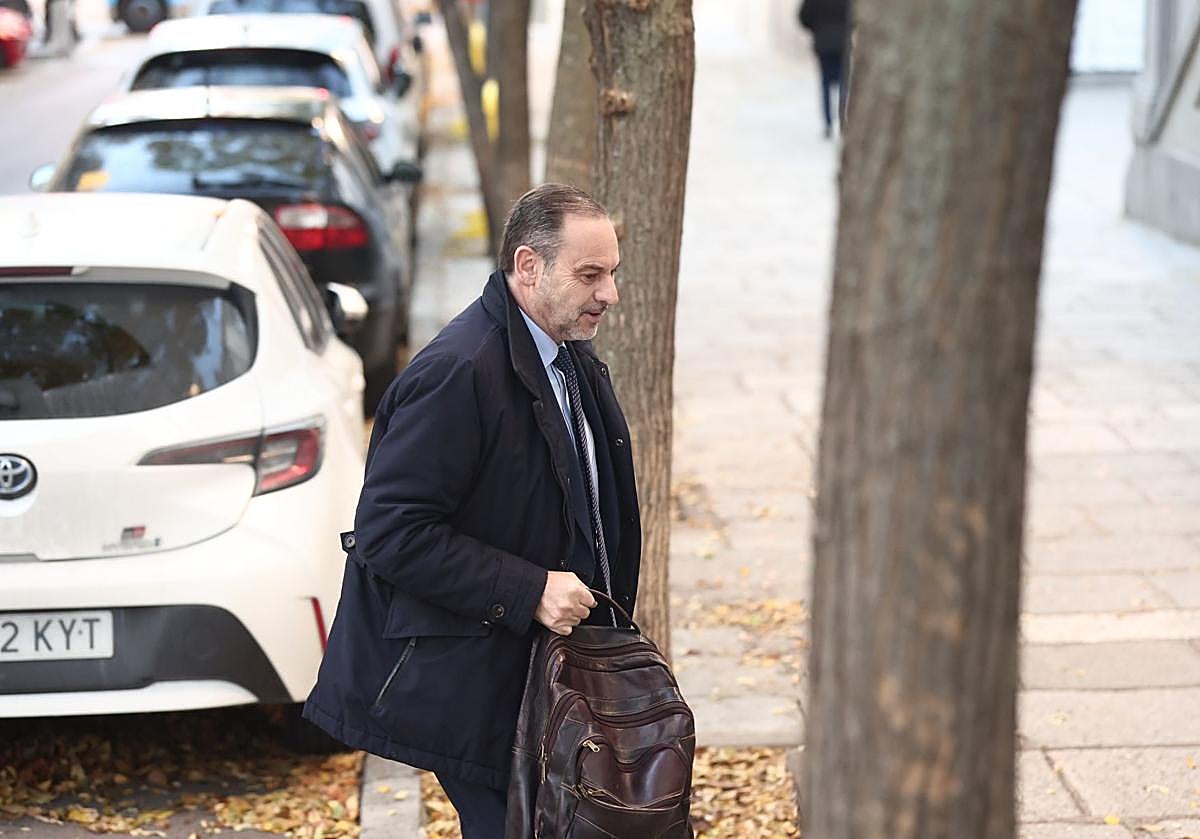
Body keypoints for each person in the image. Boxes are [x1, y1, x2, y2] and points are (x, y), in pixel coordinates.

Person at [304, 183, 642, 839]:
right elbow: (390, 532)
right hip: (480, 687)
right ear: (527, 267)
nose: (610, 293)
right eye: (590, 274)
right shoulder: (459, 372)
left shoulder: (567, 350)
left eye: (613, 273)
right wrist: (531, 588)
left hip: (545, 679)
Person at [798, 0, 848, 138]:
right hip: (842, 44)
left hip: (823, 43)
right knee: (843, 83)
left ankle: (828, 123)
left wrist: (817, 27)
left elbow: (803, 17)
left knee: (825, 83)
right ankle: (843, 120)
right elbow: (856, 16)